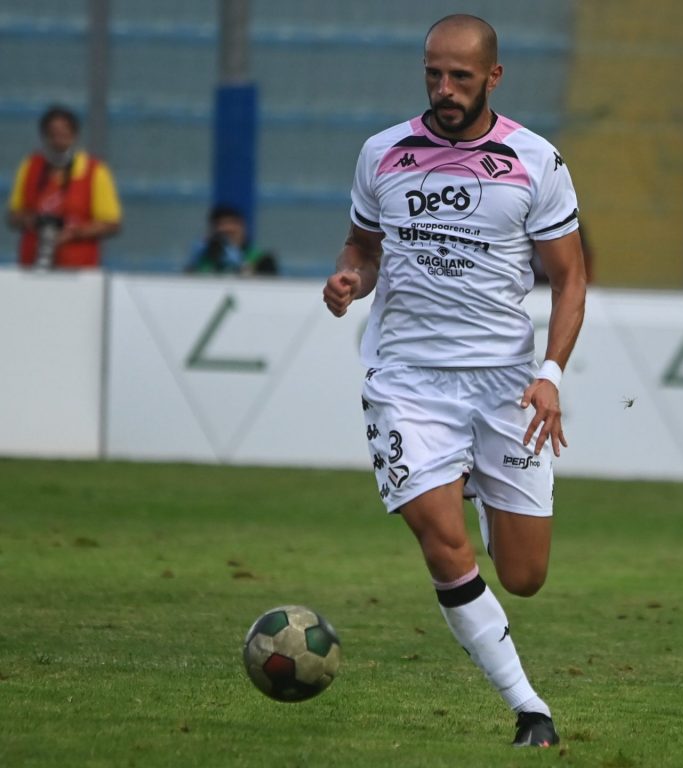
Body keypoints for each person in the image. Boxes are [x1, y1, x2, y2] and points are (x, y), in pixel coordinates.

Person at [322, 14, 586, 748]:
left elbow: (570, 279)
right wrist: (350, 280)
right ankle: (530, 709)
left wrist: (550, 374)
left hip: (505, 386)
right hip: (408, 380)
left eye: (460, 77)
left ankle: (473, 484)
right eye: (434, 73)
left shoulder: (535, 161)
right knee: (442, 543)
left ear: (493, 77)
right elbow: (362, 247)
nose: (444, 88)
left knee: (524, 576)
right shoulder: (383, 153)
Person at [6, 104, 121, 269]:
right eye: (52, 135)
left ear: (74, 136)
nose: (58, 142)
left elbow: (111, 224)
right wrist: (31, 221)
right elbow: (13, 215)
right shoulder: (30, 167)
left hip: (79, 270)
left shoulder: (94, 171)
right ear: (44, 137)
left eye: (64, 135)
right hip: (32, 266)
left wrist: (74, 232)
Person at [185, 203, 278, 275]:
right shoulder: (204, 259)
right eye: (220, 225)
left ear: (243, 227)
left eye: (232, 224)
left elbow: (269, 288)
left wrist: (240, 265)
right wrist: (193, 264)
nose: (227, 228)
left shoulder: (262, 260)